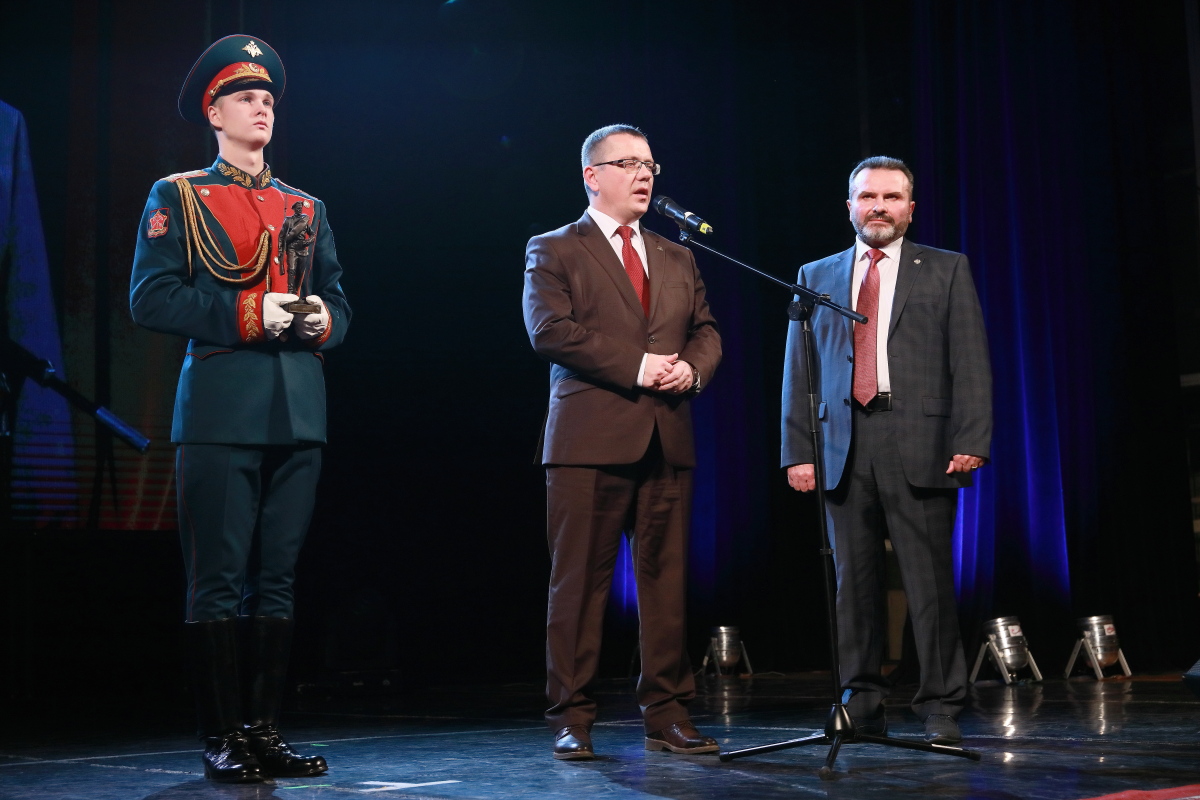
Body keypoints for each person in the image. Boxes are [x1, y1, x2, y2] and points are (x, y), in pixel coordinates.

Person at [129, 34, 351, 783]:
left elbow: (340, 303)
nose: (262, 109)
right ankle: (222, 734)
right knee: (218, 578)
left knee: (278, 578)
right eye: (246, 98)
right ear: (214, 112)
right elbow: (151, 299)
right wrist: (250, 314)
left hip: (299, 411)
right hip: (223, 409)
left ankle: (263, 730)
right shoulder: (180, 196)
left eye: (268, 100)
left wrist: (321, 319)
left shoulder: (305, 207)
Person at [523, 124, 722, 760]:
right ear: (592, 175)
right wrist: (640, 366)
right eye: (629, 163)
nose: (644, 175)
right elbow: (550, 331)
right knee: (579, 584)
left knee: (666, 584)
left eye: (650, 165)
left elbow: (706, 330)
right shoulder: (555, 247)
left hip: (667, 435)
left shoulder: (676, 254)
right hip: (588, 440)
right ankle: (571, 716)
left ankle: (668, 714)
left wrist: (692, 370)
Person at [781, 156, 991, 745]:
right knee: (854, 583)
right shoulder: (816, 274)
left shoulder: (946, 268)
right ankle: (862, 699)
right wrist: (798, 449)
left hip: (921, 440)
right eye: (868, 197)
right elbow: (799, 370)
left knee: (929, 584)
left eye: (891, 197)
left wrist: (971, 439)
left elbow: (970, 359)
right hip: (842, 443)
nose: (879, 207)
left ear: (910, 209)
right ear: (849, 206)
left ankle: (941, 704)